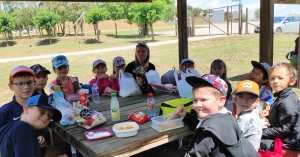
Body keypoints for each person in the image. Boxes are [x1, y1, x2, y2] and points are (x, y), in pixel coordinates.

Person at [177, 74, 259, 157]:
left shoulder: (207, 132)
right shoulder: (227, 118)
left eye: (203, 100)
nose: (198, 104)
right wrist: (186, 117)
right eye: (195, 100)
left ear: (221, 101)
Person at [260, 62, 300, 153]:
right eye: (272, 78)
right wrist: (271, 113)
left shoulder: (287, 101)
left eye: (280, 78)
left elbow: (285, 129)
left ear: (292, 81)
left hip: (289, 145)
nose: (275, 81)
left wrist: (261, 131)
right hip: (286, 139)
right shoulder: (283, 96)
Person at [234, 80, 262, 151]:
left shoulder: (244, 119)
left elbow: (233, 140)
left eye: (250, 97)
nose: (245, 101)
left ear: (257, 101)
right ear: (235, 99)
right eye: (241, 96)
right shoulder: (255, 112)